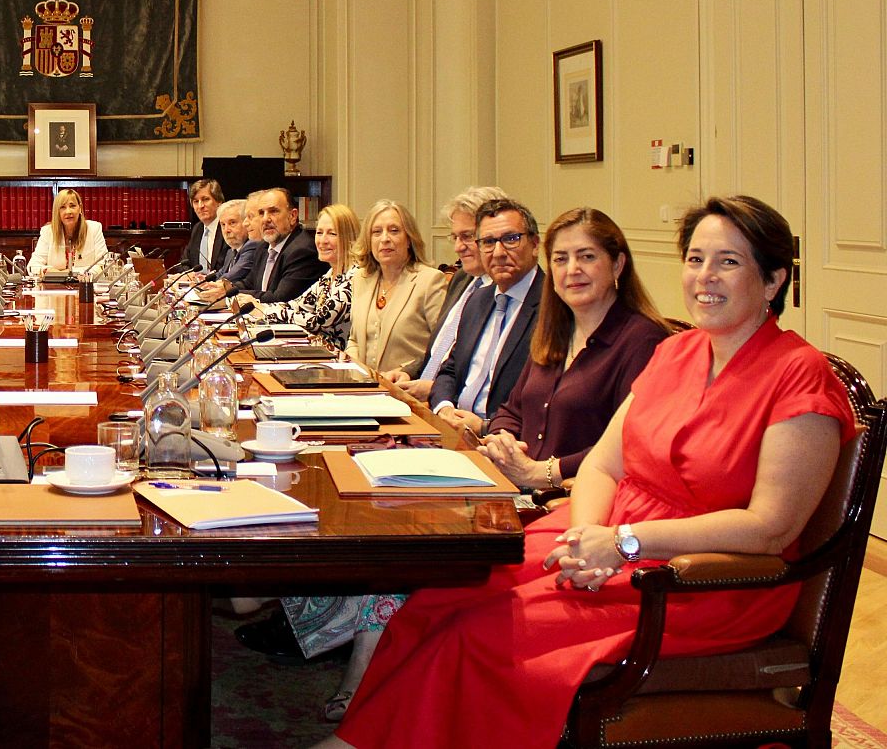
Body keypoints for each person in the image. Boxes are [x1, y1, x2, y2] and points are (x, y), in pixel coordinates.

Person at [317, 195, 857, 749]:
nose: (704, 277)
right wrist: (586, 535)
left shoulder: (802, 377)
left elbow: (770, 527)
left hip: (699, 579)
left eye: (728, 261)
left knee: (482, 636)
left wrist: (621, 543)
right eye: (696, 260)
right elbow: (604, 460)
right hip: (603, 531)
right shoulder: (679, 352)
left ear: (773, 281)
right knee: (436, 598)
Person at [480, 207, 672, 487]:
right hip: (516, 487)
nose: (572, 270)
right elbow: (513, 409)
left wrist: (542, 473)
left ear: (617, 264)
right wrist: (502, 439)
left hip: (577, 501)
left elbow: (631, 445)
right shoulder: (554, 329)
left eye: (587, 257)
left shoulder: (643, 341)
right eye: (560, 259)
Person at [430, 197, 545, 434]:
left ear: (535, 243)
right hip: (454, 432)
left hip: (503, 440)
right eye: (489, 242)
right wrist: (444, 407)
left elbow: (543, 404)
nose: (499, 252)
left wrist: (484, 427)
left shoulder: (553, 307)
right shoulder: (478, 300)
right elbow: (450, 369)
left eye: (511, 239)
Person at [388, 186, 508, 402]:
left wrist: (435, 390)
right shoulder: (463, 280)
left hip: (453, 408)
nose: (459, 247)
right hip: (422, 402)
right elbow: (441, 350)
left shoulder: (504, 295)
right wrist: (408, 372)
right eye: (455, 237)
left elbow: (488, 378)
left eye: (467, 236)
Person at [344, 200, 447, 376]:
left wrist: (407, 372)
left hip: (406, 388)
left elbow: (442, 346)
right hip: (364, 389)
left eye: (394, 231)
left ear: (409, 239)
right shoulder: (361, 279)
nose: (385, 239)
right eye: (376, 232)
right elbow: (354, 339)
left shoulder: (430, 281)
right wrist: (352, 369)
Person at [242, 204, 359, 344]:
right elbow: (295, 305)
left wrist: (263, 311)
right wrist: (257, 305)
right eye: (319, 232)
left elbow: (318, 321)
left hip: (342, 361)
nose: (322, 241)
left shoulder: (354, 276)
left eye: (332, 233)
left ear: (349, 237)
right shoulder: (330, 275)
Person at [236, 187, 327, 304]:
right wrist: (225, 289)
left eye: (273, 211)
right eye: (261, 213)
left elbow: (280, 298)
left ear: (293, 216)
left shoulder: (302, 251)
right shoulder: (263, 247)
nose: (265, 219)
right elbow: (249, 283)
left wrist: (236, 295)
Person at [198, 195, 265, 304]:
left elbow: (231, 276)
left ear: (246, 222)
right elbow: (220, 274)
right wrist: (203, 281)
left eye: (232, 223)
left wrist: (210, 285)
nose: (226, 230)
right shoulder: (231, 251)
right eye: (223, 225)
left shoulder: (252, 246)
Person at [28, 188, 108, 275]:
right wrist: (46, 270)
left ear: (80, 208)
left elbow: (103, 266)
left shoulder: (94, 229)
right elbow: (33, 266)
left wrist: (68, 273)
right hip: (55, 287)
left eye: (72, 206)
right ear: (57, 212)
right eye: (62, 207)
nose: (68, 211)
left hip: (85, 286)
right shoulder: (48, 232)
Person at [180, 178, 227, 274]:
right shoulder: (198, 228)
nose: (200, 206)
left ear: (219, 202)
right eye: (196, 201)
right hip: (197, 285)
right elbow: (184, 262)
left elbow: (227, 267)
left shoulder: (226, 227)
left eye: (205, 199)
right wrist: (190, 275)